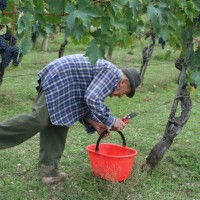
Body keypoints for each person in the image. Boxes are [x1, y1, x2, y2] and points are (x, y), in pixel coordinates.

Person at [0, 54, 141, 185]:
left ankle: (49, 173)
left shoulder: (109, 77)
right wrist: (111, 120)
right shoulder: (112, 74)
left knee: (59, 123)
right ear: (123, 82)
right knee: (39, 119)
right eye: (126, 92)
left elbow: (85, 100)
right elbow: (92, 98)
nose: (121, 96)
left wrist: (95, 122)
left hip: (68, 85)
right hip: (60, 78)